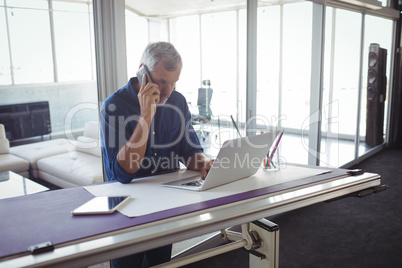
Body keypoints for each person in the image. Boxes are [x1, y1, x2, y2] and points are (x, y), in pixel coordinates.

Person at [100, 41, 213, 268]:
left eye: (173, 83)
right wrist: (146, 115)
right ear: (142, 71)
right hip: (126, 211)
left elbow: (189, 151)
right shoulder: (114, 106)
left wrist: (205, 163)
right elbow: (123, 172)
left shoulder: (177, 101)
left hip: (165, 205)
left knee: (160, 264)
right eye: (162, 81)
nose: (168, 91)